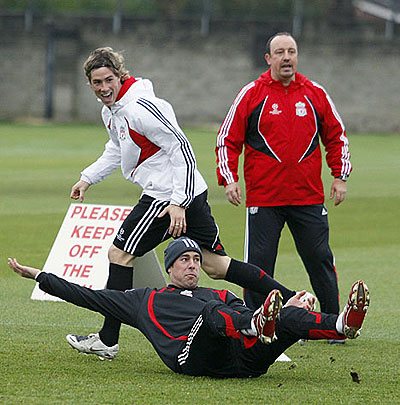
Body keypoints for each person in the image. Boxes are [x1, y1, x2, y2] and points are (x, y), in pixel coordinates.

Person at [67, 47, 300, 360]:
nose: (104, 87)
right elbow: (116, 149)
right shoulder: (112, 111)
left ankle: (107, 340)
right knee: (216, 266)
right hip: (186, 193)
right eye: (97, 83)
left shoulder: (140, 107)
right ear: (90, 84)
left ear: (121, 77)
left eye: (109, 79)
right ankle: (293, 300)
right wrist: (87, 178)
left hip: (166, 196)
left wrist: (176, 203)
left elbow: (182, 149)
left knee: (119, 255)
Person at [8, 237, 369, 378]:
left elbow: (239, 313)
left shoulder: (217, 294)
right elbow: (86, 295)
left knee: (283, 316)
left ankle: (341, 324)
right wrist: (40, 275)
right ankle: (256, 326)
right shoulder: (144, 300)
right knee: (213, 315)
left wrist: (287, 310)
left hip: (241, 361)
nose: (193, 265)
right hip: (191, 357)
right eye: (185, 260)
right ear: (170, 268)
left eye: (197, 259)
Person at [216, 32, 351, 318]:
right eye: (279, 52)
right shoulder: (252, 93)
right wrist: (229, 178)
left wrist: (340, 176)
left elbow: (336, 136)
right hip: (264, 199)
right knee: (259, 267)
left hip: (308, 198)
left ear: (297, 56)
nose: (286, 57)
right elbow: (227, 138)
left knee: (320, 259)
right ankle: (254, 321)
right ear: (269, 58)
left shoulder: (315, 93)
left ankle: (331, 322)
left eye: (291, 51)